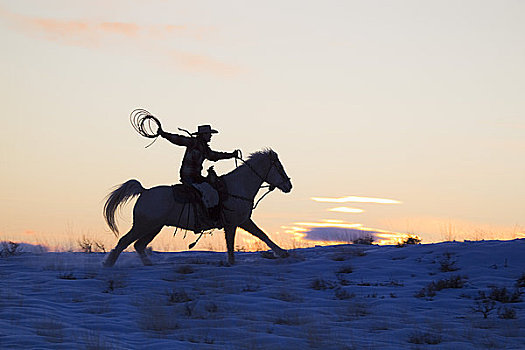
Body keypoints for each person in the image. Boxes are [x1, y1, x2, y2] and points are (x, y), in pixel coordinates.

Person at [158, 124, 239, 224]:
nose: (210, 136)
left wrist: (231, 155)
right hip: (190, 177)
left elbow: (214, 156)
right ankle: (210, 217)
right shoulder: (193, 143)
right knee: (210, 191)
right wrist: (164, 134)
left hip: (195, 177)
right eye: (209, 134)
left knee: (211, 189)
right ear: (203, 134)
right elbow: (178, 139)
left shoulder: (204, 148)